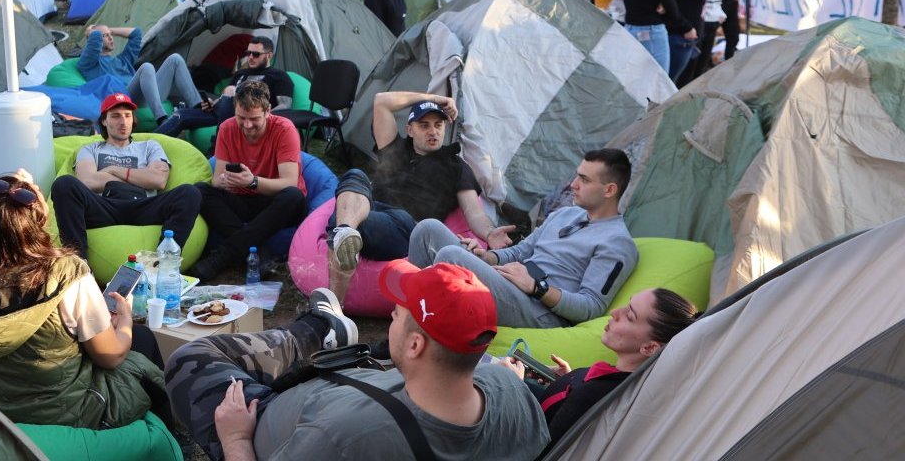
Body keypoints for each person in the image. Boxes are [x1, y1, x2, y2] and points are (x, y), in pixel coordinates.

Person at [164, 264, 550, 461]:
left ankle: (318, 330)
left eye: (397, 314)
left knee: (191, 358)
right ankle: (327, 334)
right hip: (350, 390)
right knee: (382, 352)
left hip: (260, 420)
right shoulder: (512, 392)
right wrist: (506, 378)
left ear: (416, 346)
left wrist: (235, 440)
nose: (391, 317)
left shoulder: (345, 437)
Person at [0, 169, 168, 429]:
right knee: (143, 339)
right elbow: (110, 356)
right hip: (62, 411)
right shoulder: (67, 274)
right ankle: (163, 438)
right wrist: (124, 322)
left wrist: (0, 187)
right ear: (39, 217)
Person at [408, 148, 639, 328]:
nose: (572, 184)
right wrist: (485, 256)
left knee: (451, 256)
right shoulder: (565, 214)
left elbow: (591, 306)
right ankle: (408, 321)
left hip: (542, 310)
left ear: (609, 190)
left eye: (585, 180)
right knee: (427, 229)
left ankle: (418, 329)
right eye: (577, 176)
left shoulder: (617, 243)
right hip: (514, 285)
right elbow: (520, 252)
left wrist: (537, 287)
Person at [325, 92, 500, 304]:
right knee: (355, 175)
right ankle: (345, 235)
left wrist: (489, 234)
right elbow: (381, 101)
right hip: (369, 208)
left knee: (345, 222)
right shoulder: (395, 149)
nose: (433, 131)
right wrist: (436, 99)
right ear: (409, 130)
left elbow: (474, 213)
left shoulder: (456, 166)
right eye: (424, 125)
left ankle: (334, 300)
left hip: (405, 227)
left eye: (438, 125)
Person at [499, 288, 696, 452]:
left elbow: (537, 449)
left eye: (629, 316)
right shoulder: (621, 382)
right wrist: (569, 380)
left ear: (650, 348)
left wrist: (513, 387)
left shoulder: (596, 396)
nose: (614, 312)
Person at [50, 93, 203, 259]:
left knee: (190, 193)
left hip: (144, 205)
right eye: (115, 116)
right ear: (104, 121)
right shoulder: (90, 149)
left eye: (127, 116)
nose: (123, 122)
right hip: (104, 207)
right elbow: (88, 181)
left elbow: (158, 180)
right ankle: (79, 263)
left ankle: (163, 261)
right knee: (63, 184)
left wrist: (114, 169)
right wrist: (141, 177)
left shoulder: (150, 146)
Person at [191, 81, 306, 280]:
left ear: (268, 111)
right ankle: (258, 252)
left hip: (274, 200)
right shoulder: (227, 128)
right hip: (242, 198)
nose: (247, 125)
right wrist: (226, 181)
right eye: (241, 118)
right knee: (199, 191)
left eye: (254, 119)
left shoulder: (284, 129)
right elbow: (216, 179)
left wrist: (252, 181)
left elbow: (290, 182)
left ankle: (223, 256)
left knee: (293, 197)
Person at [154, 36, 293, 137]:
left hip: (246, 115)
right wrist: (212, 103)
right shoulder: (241, 73)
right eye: (248, 53)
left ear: (269, 55)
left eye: (256, 54)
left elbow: (285, 105)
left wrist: (262, 117)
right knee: (181, 115)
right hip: (221, 112)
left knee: (232, 90)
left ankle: (218, 145)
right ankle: (147, 143)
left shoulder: (279, 76)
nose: (250, 57)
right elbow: (226, 97)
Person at [77, 24, 204, 126]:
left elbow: (136, 33)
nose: (111, 38)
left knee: (175, 59)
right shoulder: (89, 63)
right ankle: (162, 119)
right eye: (105, 36)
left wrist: (110, 30)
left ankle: (198, 107)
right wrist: (94, 30)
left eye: (111, 35)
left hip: (148, 95)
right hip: (124, 98)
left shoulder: (123, 60)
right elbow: (94, 39)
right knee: (146, 67)